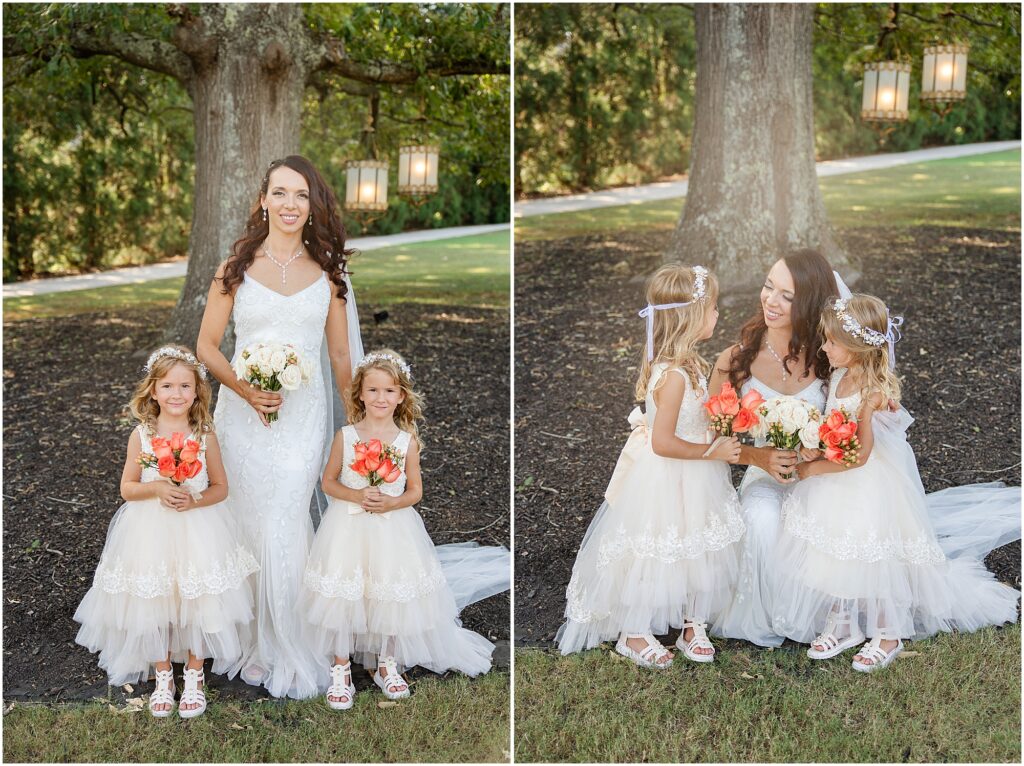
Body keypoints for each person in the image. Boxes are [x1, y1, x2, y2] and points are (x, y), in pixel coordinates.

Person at [772, 294, 1020, 671]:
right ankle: (843, 624)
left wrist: (813, 470)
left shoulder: (873, 394)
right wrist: (813, 450)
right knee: (833, 552)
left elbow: (859, 456)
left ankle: (888, 632)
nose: (824, 347)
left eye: (831, 341)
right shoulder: (839, 375)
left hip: (867, 486)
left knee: (874, 555)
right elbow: (834, 435)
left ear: (857, 346)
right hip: (834, 480)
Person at [196, 155, 363, 699]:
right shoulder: (235, 268)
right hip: (240, 413)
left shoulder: (329, 273)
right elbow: (205, 347)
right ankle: (244, 631)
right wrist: (244, 389)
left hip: (304, 413)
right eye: (281, 193)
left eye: (302, 195)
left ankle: (285, 638)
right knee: (242, 510)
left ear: (313, 205)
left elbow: (340, 356)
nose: (291, 204)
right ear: (262, 201)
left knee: (285, 513)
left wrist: (354, 423)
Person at [555, 264, 745, 668]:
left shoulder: (692, 362)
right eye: (712, 307)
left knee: (698, 546)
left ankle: (693, 622)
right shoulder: (673, 374)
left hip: (697, 474)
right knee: (656, 550)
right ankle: (634, 632)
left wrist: (724, 377)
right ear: (690, 316)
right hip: (671, 473)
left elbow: (705, 410)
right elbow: (662, 443)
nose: (717, 314)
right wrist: (713, 453)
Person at [300, 350, 507, 708]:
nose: (381, 398)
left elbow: (415, 491)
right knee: (344, 595)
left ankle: (386, 663)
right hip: (347, 528)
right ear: (360, 394)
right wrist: (357, 494)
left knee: (390, 593)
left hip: (393, 528)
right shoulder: (346, 436)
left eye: (389, 391)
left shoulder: (405, 441)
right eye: (373, 390)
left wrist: (390, 502)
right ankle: (340, 667)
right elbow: (328, 482)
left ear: (401, 396)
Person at [74, 345, 258, 718]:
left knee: (199, 597)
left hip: (200, 529)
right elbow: (127, 488)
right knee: (154, 599)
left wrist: (194, 500)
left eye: (185, 386)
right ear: (154, 391)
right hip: (149, 531)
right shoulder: (141, 436)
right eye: (168, 386)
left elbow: (221, 488)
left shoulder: (204, 436)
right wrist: (158, 487)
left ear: (197, 392)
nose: (177, 394)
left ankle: (193, 671)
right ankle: (163, 674)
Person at [709, 249, 839, 648]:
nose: (770, 300)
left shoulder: (832, 357)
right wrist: (756, 456)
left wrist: (816, 455)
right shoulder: (735, 359)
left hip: (820, 478)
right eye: (768, 287)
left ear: (811, 302)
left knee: (819, 523)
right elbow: (711, 436)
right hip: (763, 475)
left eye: (787, 294)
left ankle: (820, 613)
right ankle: (773, 614)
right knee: (761, 518)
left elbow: (850, 427)